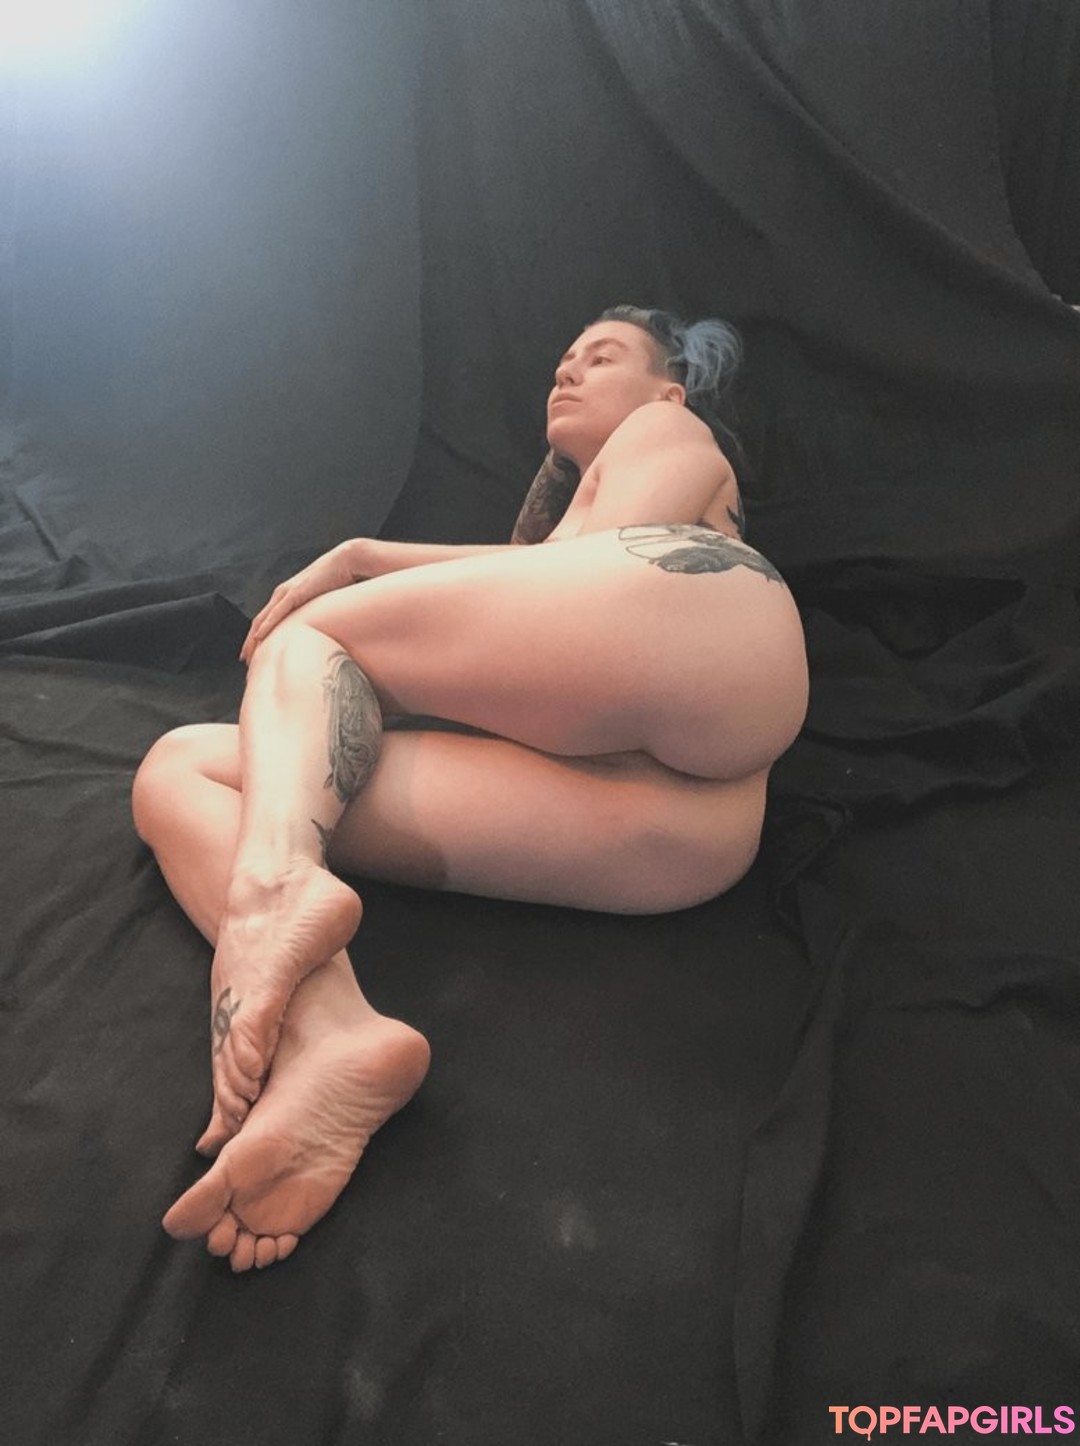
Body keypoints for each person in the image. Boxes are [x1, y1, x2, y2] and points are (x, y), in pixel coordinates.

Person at [131, 304, 809, 1272]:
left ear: (669, 388)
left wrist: (362, 563)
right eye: (564, 356)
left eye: (602, 355)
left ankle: (275, 883)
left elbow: (596, 574)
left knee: (310, 633)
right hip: (683, 838)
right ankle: (333, 1039)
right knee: (181, 770)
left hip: (717, 640)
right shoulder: (560, 556)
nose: (568, 370)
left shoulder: (665, 430)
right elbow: (556, 604)